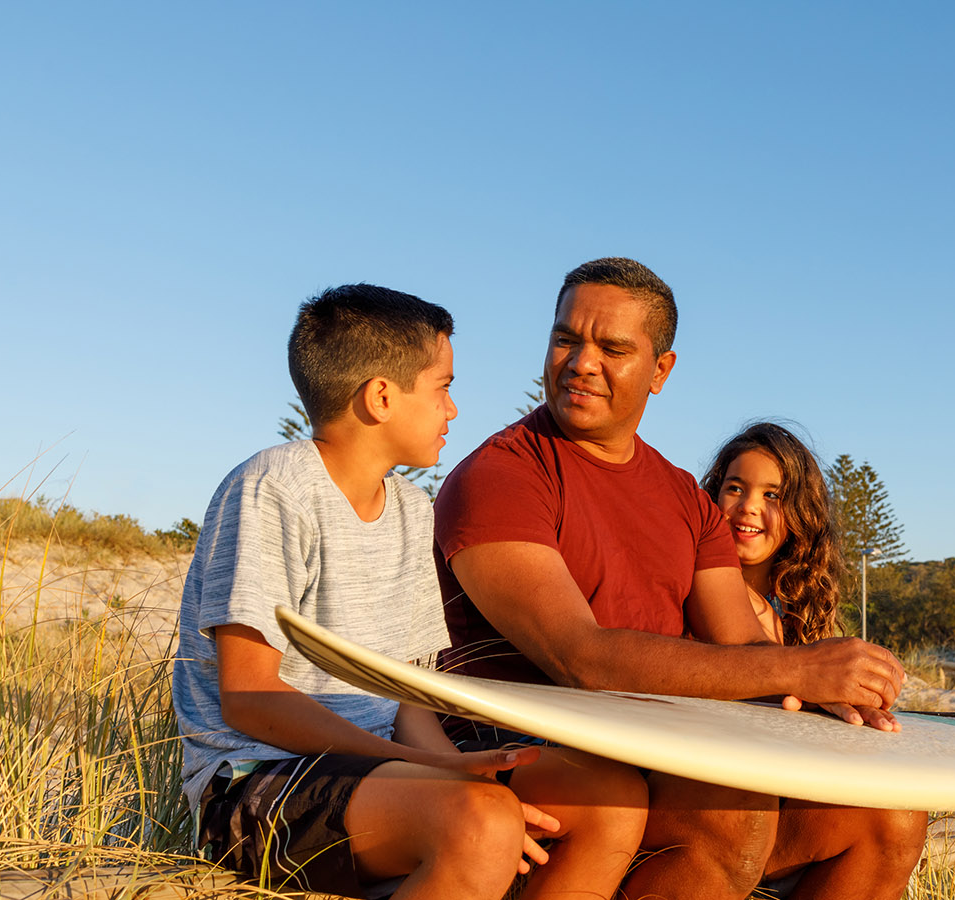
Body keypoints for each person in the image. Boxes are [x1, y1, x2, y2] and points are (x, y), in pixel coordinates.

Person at [434, 257, 918, 900]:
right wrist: (798, 670)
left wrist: (829, 692)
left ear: (660, 370)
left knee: (889, 815)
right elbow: (579, 657)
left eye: (612, 347)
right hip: (533, 750)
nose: (581, 362)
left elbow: (742, 651)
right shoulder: (501, 477)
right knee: (726, 810)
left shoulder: (685, 499)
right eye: (565, 339)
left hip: (662, 746)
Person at [171, 283, 645, 900]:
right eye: (443, 387)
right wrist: (435, 772)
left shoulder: (413, 510)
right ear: (382, 398)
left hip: (383, 772)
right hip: (259, 782)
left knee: (611, 797)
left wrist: (450, 761)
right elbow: (251, 698)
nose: (453, 410)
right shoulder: (274, 487)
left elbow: (406, 698)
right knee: (481, 823)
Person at [701, 421, 929, 898]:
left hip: (780, 799)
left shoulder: (794, 609)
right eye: (735, 488)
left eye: (773, 495)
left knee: (902, 814)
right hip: (710, 805)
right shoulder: (687, 587)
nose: (749, 507)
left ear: (800, 513)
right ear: (712, 495)